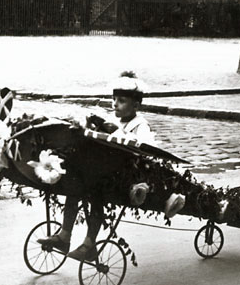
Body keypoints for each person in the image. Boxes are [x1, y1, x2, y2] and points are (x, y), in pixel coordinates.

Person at [38, 71, 183, 261]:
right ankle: (64, 236)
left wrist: (116, 131)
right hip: (101, 169)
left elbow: (146, 149)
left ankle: (89, 245)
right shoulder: (112, 119)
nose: (115, 104)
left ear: (136, 105)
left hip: (121, 176)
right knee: (75, 187)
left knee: (96, 193)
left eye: (121, 100)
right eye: (114, 99)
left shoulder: (140, 125)